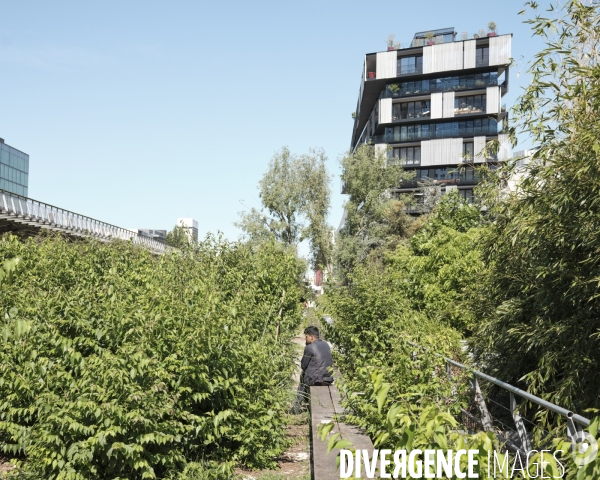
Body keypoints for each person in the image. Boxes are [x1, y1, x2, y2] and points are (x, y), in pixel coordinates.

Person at [291, 326, 333, 413]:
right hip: (328, 378)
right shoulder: (326, 344)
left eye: (306, 337)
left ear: (311, 337)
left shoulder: (310, 347)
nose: (305, 339)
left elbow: (303, 365)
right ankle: (307, 401)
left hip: (316, 379)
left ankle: (296, 407)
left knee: (303, 376)